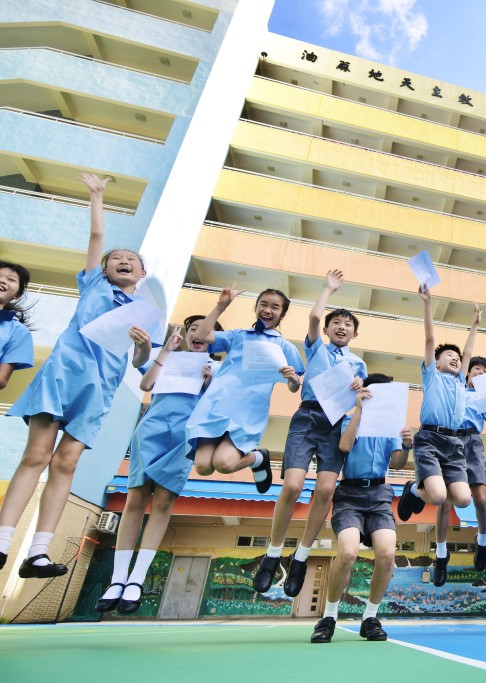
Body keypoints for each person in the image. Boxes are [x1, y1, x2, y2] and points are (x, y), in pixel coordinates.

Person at [1, 174, 156, 577]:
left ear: (141, 273)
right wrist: (96, 195)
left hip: (98, 390)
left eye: (132, 260)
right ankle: (2, 542)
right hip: (62, 377)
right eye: (116, 258)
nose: (123, 260)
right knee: (36, 455)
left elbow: (142, 360)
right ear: (103, 268)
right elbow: (96, 236)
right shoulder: (94, 286)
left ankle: (37, 553)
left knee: (66, 464)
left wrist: (141, 343)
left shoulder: (142, 312)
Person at [254, 270, 366, 597]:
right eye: (337, 323)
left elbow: (360, 400)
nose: (341, 327)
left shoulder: (358, 364)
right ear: (328, 330)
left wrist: (360, 388)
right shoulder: (316, 349)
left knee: (326, 491)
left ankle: (301, 556)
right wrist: (328, 288)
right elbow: (315, 315)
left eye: (348, 324)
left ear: (355, 333)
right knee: (291, 485)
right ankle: (272, 553)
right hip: (307, 416)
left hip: (335, 423)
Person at [95, 317, 219, 613]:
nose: (197, 334)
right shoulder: (167, 356)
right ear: (186, 334)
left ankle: (136, 580)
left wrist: (208, 383)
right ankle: (117, 579)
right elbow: (146, 383)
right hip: (151, 430)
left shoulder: (216, 369)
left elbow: (216, 408)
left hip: (183, 436)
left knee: (163, 502)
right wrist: (165, 350)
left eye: (204, 331)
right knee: (135, 500)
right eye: (192, 329)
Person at [311, 375, 413, 644]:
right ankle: (329, 617)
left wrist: (406, 444)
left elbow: (398, 463)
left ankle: (370, 617)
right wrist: (359, 409)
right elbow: (344, 446)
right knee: (346, 553)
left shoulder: (391, 426)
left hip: (379, 495)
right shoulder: (350, 418)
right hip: (349, 495)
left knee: (388, 555)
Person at [186, 284, 303, 492]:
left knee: (224, 464)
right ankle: (256, 457)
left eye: (275, 307)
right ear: (256, 307)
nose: (268, 310)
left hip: (247, 411)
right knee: (202, 467)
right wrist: (221, 306)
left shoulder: (285, 347)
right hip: (217, 404)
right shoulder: (237, 335)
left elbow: (294, 387)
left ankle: (258, 457)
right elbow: (202, 335)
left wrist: (292, 378)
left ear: (282, 314)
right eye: (263, 304)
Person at [396, 287, 479, 521]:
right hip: (430, 440)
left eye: (456, 356)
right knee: (438, 496)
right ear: (438, 362)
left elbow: (468, 352)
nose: (454, 358)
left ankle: (421, 488)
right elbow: (430, 338)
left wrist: (475, 324)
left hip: (454, 443)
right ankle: (414, 488)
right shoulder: (432, 375)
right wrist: (427, 303)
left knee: (463, 500)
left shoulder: (461, 380)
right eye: (449, 356)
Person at [432, 356, 486, 586]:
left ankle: (482, 541)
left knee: (481, 500)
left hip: (473, 443)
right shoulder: (454, 388)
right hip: (450, 440)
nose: (480, 373)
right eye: (477, 369)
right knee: (445, 501)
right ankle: (441, 554)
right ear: (467, 373)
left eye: (485, 371)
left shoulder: (484, 397)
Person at [0, 260, 34, 391]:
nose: (2, 281)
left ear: (17, 295)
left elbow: (2, 379)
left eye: (11, 279)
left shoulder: (18, 331)